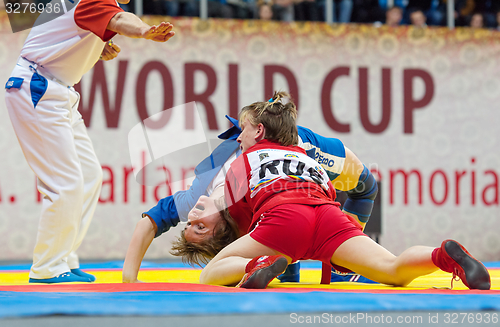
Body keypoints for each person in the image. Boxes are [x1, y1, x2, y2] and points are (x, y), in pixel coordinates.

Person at [178, 92, 491, 290]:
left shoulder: (242, 160)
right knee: (392, 269)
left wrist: (244, 250)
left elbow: (243, 218)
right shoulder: (306, 153)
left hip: (284, 219)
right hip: (330, 215)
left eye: (242, 130)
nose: (237, 138)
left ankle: (254, 266)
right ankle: (440, 256)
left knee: (211, 273)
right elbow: (331, 191)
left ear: (259, 130)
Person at [5, 0, 175, 283]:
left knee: (90, 176)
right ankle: (47, 268)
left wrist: (94, 47)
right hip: (38, 86)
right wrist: (145, 31)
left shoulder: (82, 4)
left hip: (57, 90)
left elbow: (62, 32)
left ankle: (63, 259)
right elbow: (121, 20)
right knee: (66, 182)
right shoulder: (95, 0)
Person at [122, 114, 379, 284]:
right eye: (199, 227)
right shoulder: (242, 225)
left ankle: (341, 265)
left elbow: (149, 221)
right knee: (287, 242)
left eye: (189, 225)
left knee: (365, 187)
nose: (190, 218)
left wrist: (129, 280)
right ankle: (317, 267)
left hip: (297, 144)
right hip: (290, 176)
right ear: (228, 231)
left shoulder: (197, 199)